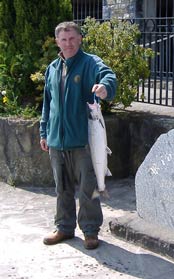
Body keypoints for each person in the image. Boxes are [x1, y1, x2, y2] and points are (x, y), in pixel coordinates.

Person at [39, 21, 117, 249]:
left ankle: (90, 231)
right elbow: (47, 104)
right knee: (61, 188)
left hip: (84, 141)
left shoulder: (90, 63)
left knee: (87, 188)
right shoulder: (52, 68)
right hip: (56, 141)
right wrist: (44, 131)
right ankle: (64, 228)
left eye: (72, 38)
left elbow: (108, 76)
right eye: (63, 39)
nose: (68, 43)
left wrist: (104, 87)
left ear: (80, 39)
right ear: (57, 42)